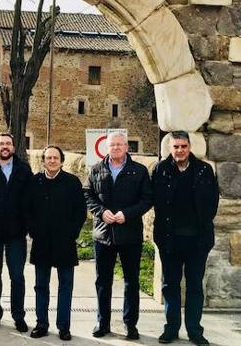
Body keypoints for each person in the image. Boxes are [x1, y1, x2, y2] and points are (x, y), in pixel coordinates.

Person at [151, 131, 219, 346]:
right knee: (170, 285)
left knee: (194, 286)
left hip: (197, 241)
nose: (179, 150)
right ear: (170, 149)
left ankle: (194, 330)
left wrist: (203, 227)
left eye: (183, 146)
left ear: (189, 147)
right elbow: (156, 202)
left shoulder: (204, 170)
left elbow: (212, 203)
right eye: (176, 147)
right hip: (169, 239)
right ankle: (171, 329)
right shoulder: (160, 170)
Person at [85, 132, 153, 340]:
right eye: (112, 145)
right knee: (103, 281)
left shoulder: (139, 171)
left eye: (119, 145)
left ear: (126, 147)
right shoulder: (96, 169)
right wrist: (100, 211)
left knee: (131, 282)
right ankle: (102, 322)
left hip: (130, 234)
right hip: (103, 235)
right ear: (107, 148)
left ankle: (130, 324)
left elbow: (147, 198)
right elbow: (88, 194)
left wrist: (128, 214)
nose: (115, 148)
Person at [24, 146, 86, 341]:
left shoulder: (72, 182)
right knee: (41, 285)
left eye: (55, 158)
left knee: (65, 286)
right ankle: (41, 323)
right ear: (43, 161)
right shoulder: (34, 182)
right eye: (48, 158)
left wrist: (72, 233)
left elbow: (80, 212)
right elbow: (27, 210)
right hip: (41, 241)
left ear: (61, 160)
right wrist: (33, 231)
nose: (52, 161)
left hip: (65, 242)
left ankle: (64, 326)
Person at [0, 133, 33, 332]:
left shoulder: (24, 170)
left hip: (16, 233)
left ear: (13, 146)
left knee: (17, 275)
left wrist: (27, 226)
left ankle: (18, 315)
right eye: (1, 143)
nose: (5, 146)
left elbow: (30, 201)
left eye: (8, 143)